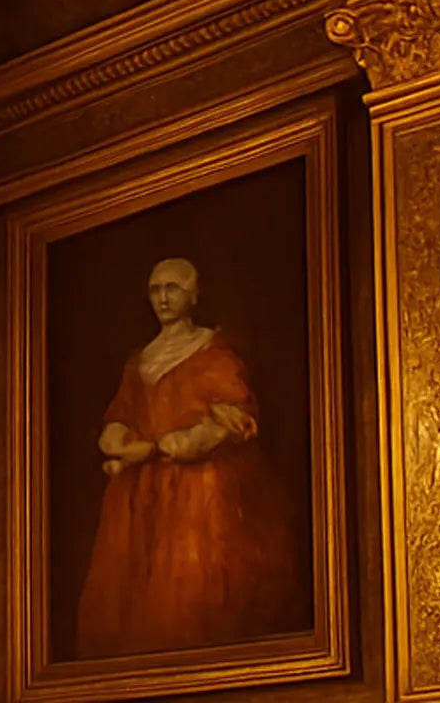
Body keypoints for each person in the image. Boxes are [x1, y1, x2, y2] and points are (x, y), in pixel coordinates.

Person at [75, 258, 303, 659]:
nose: (163, 298)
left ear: (194, 295)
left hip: (201, 494)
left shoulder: (215, 356)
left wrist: (175, 445)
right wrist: (116, 442)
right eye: (155, 289)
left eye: (173, 288)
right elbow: (121, 415)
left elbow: (234, 419)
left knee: (192, 591)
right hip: (141, 493)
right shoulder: (140, 361)